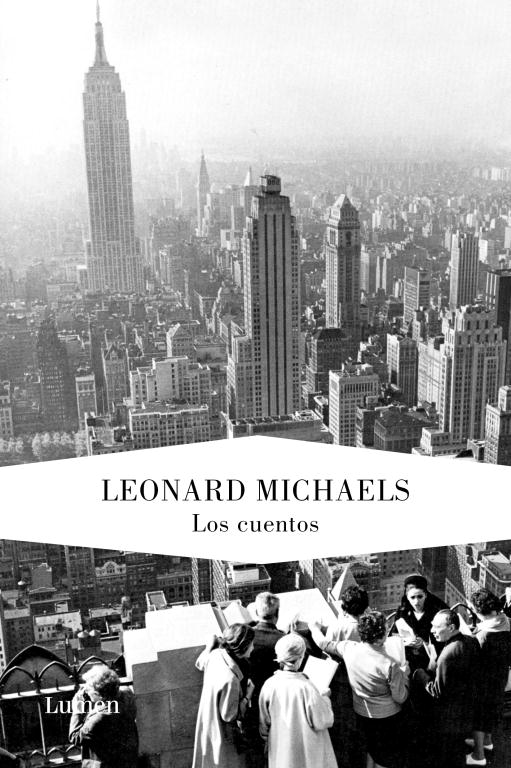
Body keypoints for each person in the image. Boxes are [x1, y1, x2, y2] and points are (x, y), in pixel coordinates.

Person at [311, 610, 409, 768]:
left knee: (370, 750)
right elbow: (400, 697)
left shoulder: (348, 648)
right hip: (387, 718)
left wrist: (314, 628)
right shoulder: (390, 664)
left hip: (361, 713)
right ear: (381, 635)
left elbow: (324, 644)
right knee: (386, 759)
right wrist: (405, 674)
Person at [258, 633, 337, 768]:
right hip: (309, 751)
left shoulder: (269, 685)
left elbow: (264, 724)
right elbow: (323, 720)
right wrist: (325, 698)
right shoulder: (307, 687)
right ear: (301, 657)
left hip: (281, 748)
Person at [414, 609, 480, 768]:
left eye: (437, 627)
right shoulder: (471, 640)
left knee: (449, 753)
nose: (432, 630)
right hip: (467, 708)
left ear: (451, 628)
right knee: (457, 749)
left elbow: (437, 691)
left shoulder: (447, 655)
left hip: (450, 716)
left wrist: (420, 674)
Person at [192, 623, 255, 768]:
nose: (253, 647)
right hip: (221, 733)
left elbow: (200, 663)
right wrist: (248, 696)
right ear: (243, 647)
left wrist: (210, 646)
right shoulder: (231, 680)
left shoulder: (216, 655)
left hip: (207, 721)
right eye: (251, 644)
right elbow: (229, 715)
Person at [465, 589, 511, 766]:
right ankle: (487, 741)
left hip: (482, 682)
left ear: (477, 611)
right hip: (500, 677)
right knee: (491, 712)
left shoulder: (482, 637)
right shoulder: (506, 622)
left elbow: (474, 660)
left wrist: (471, 637)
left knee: (478, 716)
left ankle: (478, 756)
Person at [69, 664, 138, 768]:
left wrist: (78, 707)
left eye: (88, 689)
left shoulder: (100, 718)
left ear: (98, 695)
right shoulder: (126, 696)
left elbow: (75, 736)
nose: (86, 691)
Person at [245, 593, 284, 768]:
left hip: (250, 701)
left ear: (255, 612)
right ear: (277, 614)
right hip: (275, 704)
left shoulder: (246, 636)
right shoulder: (282, 640)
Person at [391, 574, 447, 670]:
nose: (416, 602)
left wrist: (424, 644)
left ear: (426, 595)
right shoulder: (402, 612)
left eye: (420, 597)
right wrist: (404, 641)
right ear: (407, 597)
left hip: (430, 660)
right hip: (407, 659)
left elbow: (444, 641)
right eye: (412, 597)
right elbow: (393, 634)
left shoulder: (436, 613)